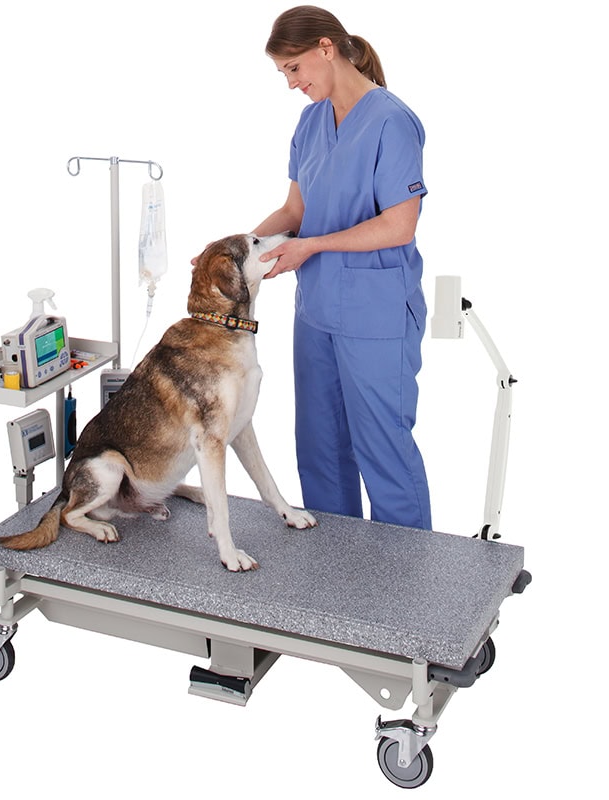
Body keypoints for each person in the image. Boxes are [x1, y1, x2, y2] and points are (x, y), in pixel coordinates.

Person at [253, 5, 431, 529]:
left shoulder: (392, 122)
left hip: (375, 314)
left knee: (383, 452)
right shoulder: (311, 121)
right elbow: (295, 212)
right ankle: (336, 592)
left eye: (293, 68)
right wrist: (240, 247)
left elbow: (400, 226)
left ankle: (406, 595)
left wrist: (311, 248)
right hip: (318, 311)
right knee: (321, 450)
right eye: (284, 73)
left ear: (326, 49)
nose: (290, 84)